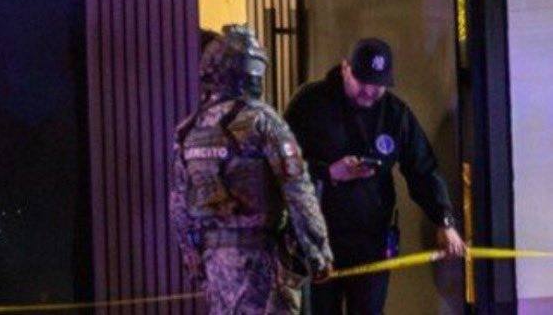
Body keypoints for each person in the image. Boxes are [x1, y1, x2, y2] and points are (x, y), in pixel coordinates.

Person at [285, 38, 466, 314]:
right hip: (317, 241)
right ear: (345, 69)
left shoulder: (394, 114)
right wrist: (328, 172)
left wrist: (445, 220)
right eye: (362, 82)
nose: (369, 91)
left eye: (378, 85)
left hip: (371, 240)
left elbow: (423, 170)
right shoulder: (310, 103)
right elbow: (281, 165)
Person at [171, 26, 333, 314]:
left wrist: (193, 261)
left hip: (215, 265)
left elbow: (179, 205)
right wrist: (318, 252)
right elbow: (298, 188)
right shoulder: (262, 121)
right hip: (262, 264)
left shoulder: (189, 130)